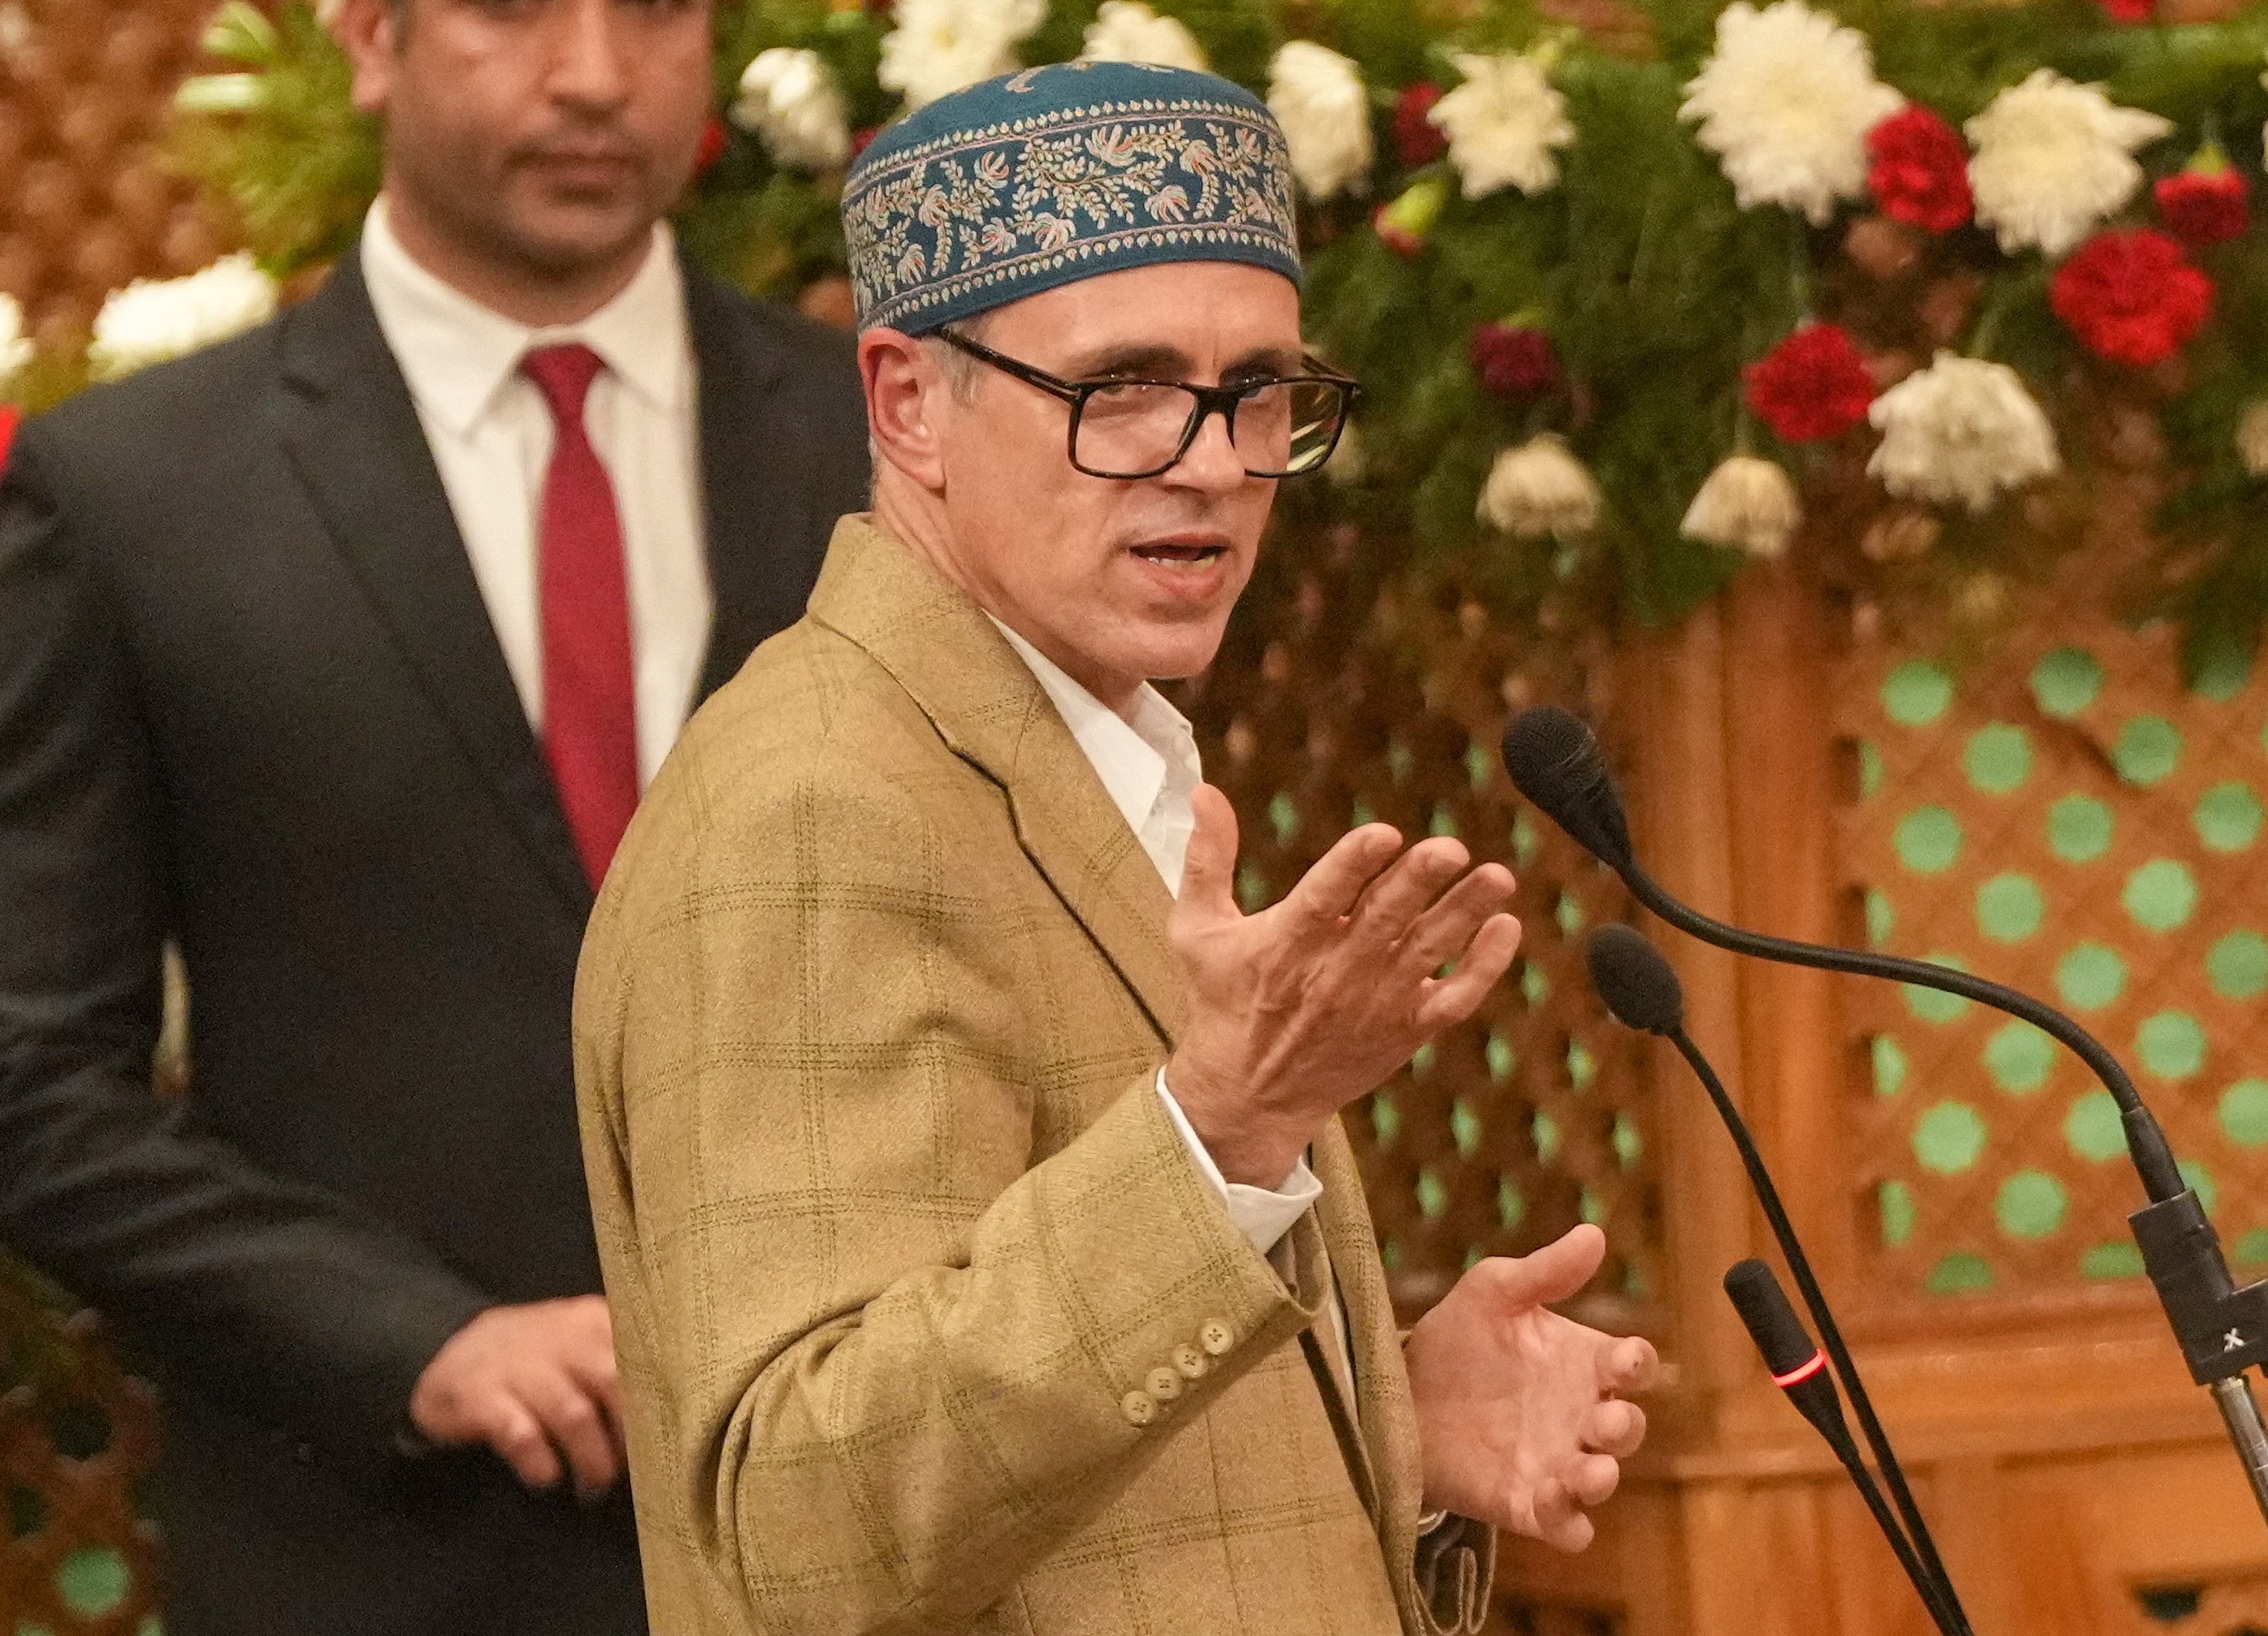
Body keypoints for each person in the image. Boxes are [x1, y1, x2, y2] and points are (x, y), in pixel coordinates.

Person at [576, 60, 1663, 1636]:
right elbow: (806, 1522)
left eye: (1260, 393)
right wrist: (1224, 1123)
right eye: (1124, 390)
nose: (1213, 459)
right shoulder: (821, 804)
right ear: (905, 404)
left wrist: (1388, 1424)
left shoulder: (1082, 752)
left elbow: (1082, 1460)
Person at [0, 0, 869, 1630]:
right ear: (368, 38)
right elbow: (27, 1067)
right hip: (384, 1550)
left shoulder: (893, 448)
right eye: (514, 8)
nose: (598, 73)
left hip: (875, 1531)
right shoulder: (136, 496)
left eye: (658, 10)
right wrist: (408, 1337)